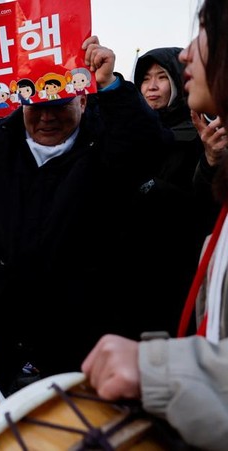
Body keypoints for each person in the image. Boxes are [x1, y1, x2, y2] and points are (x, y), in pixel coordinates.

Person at [0, 36, 165, 392]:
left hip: (81, 339)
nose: (47, 116)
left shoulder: (104, 146)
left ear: (83, 100)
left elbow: (147, 147)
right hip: (4, 334)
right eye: (36, 106)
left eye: (60, 104)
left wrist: (112, 86)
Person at [83, 2, 228, 448]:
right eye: (144, 77)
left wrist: (159, 369)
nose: (186, 55)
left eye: (204, 32)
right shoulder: (120, 128)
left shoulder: (195, 137)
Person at [114, 47, 219, 337]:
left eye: (162, 77)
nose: (152, 86)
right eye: (145, 78)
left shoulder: (201, 133)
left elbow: (204, 205)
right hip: (131, 270)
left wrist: (209, 161)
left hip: (178, 269)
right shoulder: (130, 131)